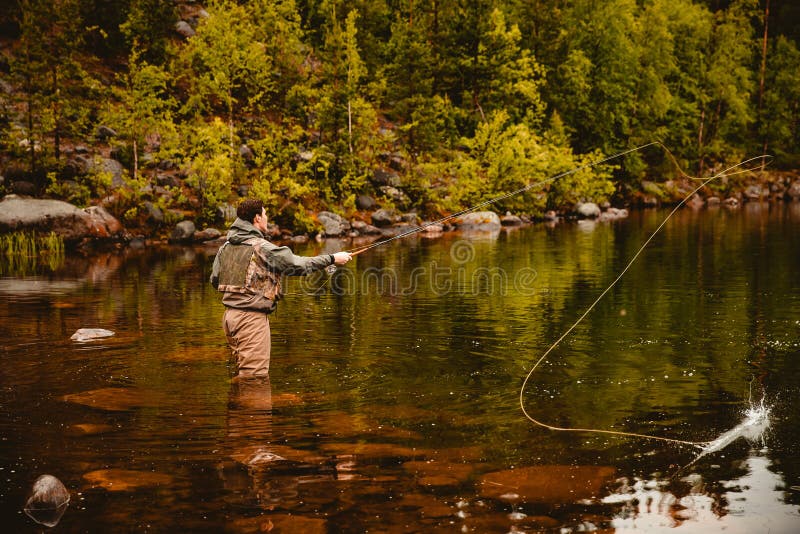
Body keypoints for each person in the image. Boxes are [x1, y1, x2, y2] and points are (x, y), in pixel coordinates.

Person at [210, 199, 351, 377]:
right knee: (255, 378)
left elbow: (215, 280)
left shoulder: (225, 247)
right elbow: (299, 265)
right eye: (265, 214)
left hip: (230, 319)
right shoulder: (262, 248)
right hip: (251, 321)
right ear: (257, 218)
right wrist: (331, 258)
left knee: (242, 373)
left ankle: (239, 404)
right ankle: (255, 405)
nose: (267, 218)